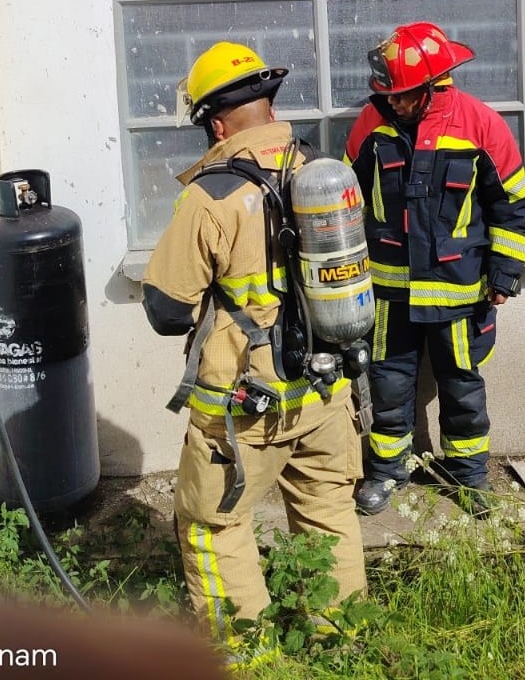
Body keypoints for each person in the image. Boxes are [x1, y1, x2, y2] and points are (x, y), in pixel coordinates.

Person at [140, 41, 366, 646]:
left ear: (215, 123)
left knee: (213, 524)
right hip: (326, 388)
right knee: (327, 511)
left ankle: (248, 652)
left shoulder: (209, 196)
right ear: (267, 105)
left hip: (245, 405)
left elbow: (166, 310)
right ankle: (340, 639)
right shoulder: (321, 173)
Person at [343, 21, 525, 517]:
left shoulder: (481, 124)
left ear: (432, 86)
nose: (396, 105)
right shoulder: (371, 123)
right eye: (390, 95)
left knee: (462, 386)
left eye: (405, 96)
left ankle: (469, 478)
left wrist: (504, 274)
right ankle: (386, 472)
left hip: (459, 290)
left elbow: (511, 204)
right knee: (388, 383)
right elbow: (344, 203)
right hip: (389, 293)